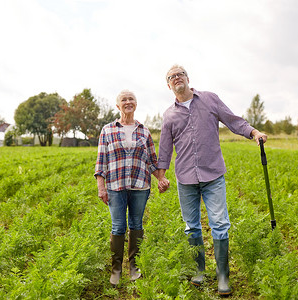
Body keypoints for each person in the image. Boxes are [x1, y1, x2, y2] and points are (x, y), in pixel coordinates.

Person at [157, 65, 267, 296]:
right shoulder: (169, 115)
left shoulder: (209, 99)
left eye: (180, 74)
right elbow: (165, 148)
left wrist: (254, 132)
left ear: (188, 78)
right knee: (192, 227)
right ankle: (199, 271)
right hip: (186, 178)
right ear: (168, 85)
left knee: (219, 224)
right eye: (171, 77)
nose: (177, 78)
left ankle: (223, 275)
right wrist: (161, 175)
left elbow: (233, 120)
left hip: (213, 175)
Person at [95, 89, 169, 286]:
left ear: (135, 104)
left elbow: (152, 161)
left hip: (140, 186)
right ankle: (116, 269)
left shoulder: (144, 131)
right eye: (124, 99)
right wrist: (101, 187)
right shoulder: (107, 130)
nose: (128, 102)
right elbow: (101, 161)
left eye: (131, 99)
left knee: (136, 225)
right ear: (118, 105)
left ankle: (134, 266)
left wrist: (161, 178)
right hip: (115, 186)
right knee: (118, 226)